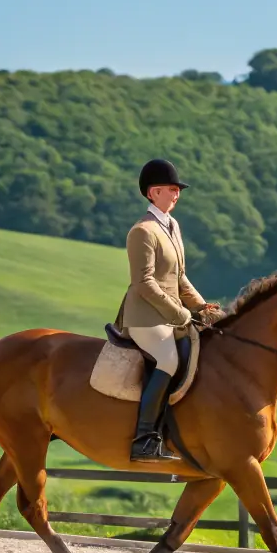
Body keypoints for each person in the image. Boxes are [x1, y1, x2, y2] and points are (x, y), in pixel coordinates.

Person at [114, 158, 222, 461]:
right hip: (145, 317)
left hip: (171, 315)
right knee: (169, 359)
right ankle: (145, 439)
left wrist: (202, 306)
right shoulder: (143, 231)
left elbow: (180, 277)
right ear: (152, 193)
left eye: (177, 190)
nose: (176, 194)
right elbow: (144, 283)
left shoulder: (172, 226)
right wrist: (180, 314)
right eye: (170, 189)